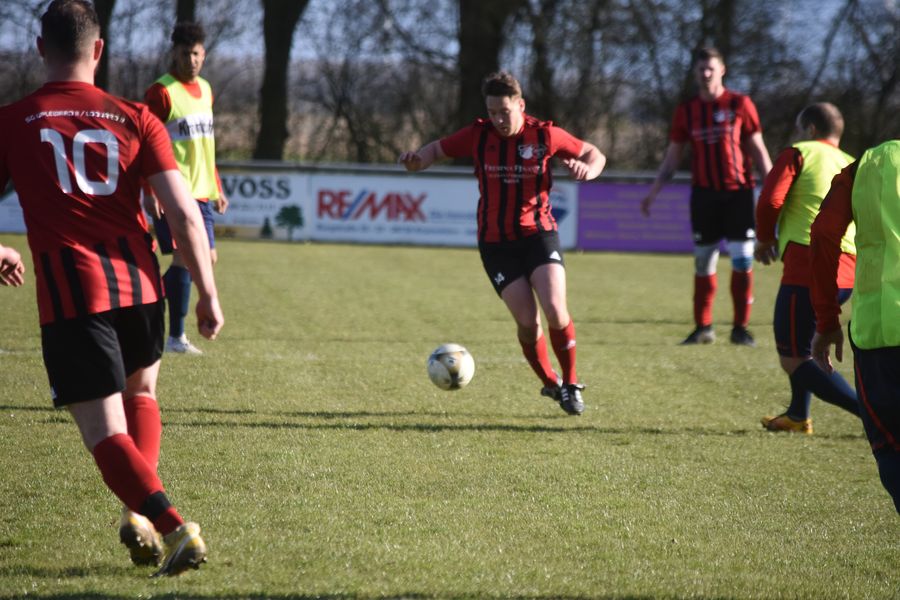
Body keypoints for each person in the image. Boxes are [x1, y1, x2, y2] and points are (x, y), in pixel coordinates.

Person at [0, 0, 223, 575]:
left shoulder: (12, 121)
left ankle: (175, 527)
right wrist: (208, 293)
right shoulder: (135, 116)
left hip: (73, 295)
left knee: (103, 435)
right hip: (142, 286)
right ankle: (138, 515)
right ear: (98, 51)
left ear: (40, 49)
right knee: (141, 397)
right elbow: (183, 214)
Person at [399, 71, 606, 415]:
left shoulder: (544, 134)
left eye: (504, 112)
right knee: (528, 322)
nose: (498, 119)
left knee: (555, 309)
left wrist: (589, 170)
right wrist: (417, 161)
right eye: (492, 112)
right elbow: (436, 149)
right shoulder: (479, 135)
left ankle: (571, 384)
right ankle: (550, 383)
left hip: (538, 234)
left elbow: (593, 153)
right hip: (496, 244)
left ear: (521, 105)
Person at [641, 47, 772, 346]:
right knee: (703, 261)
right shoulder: (686, 111)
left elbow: (759, 151)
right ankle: (703, 328)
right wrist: (653, 193)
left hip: (738, 194)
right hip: (704, 197)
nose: (706, 74)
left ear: (722, 69)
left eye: (711, 68)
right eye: (701, 69)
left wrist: (775, 189)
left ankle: (741, 328)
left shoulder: (740, 104)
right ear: (696, 72)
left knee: (741, 259)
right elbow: (673, 157)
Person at [754, 103, 859, 434]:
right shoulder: (849, 162)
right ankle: (798, 415)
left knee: (793, 356)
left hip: (809, 263)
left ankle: (874, 416)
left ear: (810, 129)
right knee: (804, 344)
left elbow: (770, 200)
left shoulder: (799, 152)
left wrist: (764, 240)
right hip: (847, 266)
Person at [810, 138, 900, 513]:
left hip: (881, 331)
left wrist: (827, 319)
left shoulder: (871, 162)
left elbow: (825, 233)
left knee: (892, 449)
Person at [143, 21, 228, 355]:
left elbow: (204, 145)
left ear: (203, 55)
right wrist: (149, 192)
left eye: (195, 54)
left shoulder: (206, 90)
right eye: (184, 54)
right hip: (174, 191)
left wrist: (217, 186)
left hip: (202, 191)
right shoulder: (161, 92)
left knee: (208, 258)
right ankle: (174, 336)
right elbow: (143, 145)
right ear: (173, 54)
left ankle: (153, 311)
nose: (190, 60)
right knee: (186, 259)